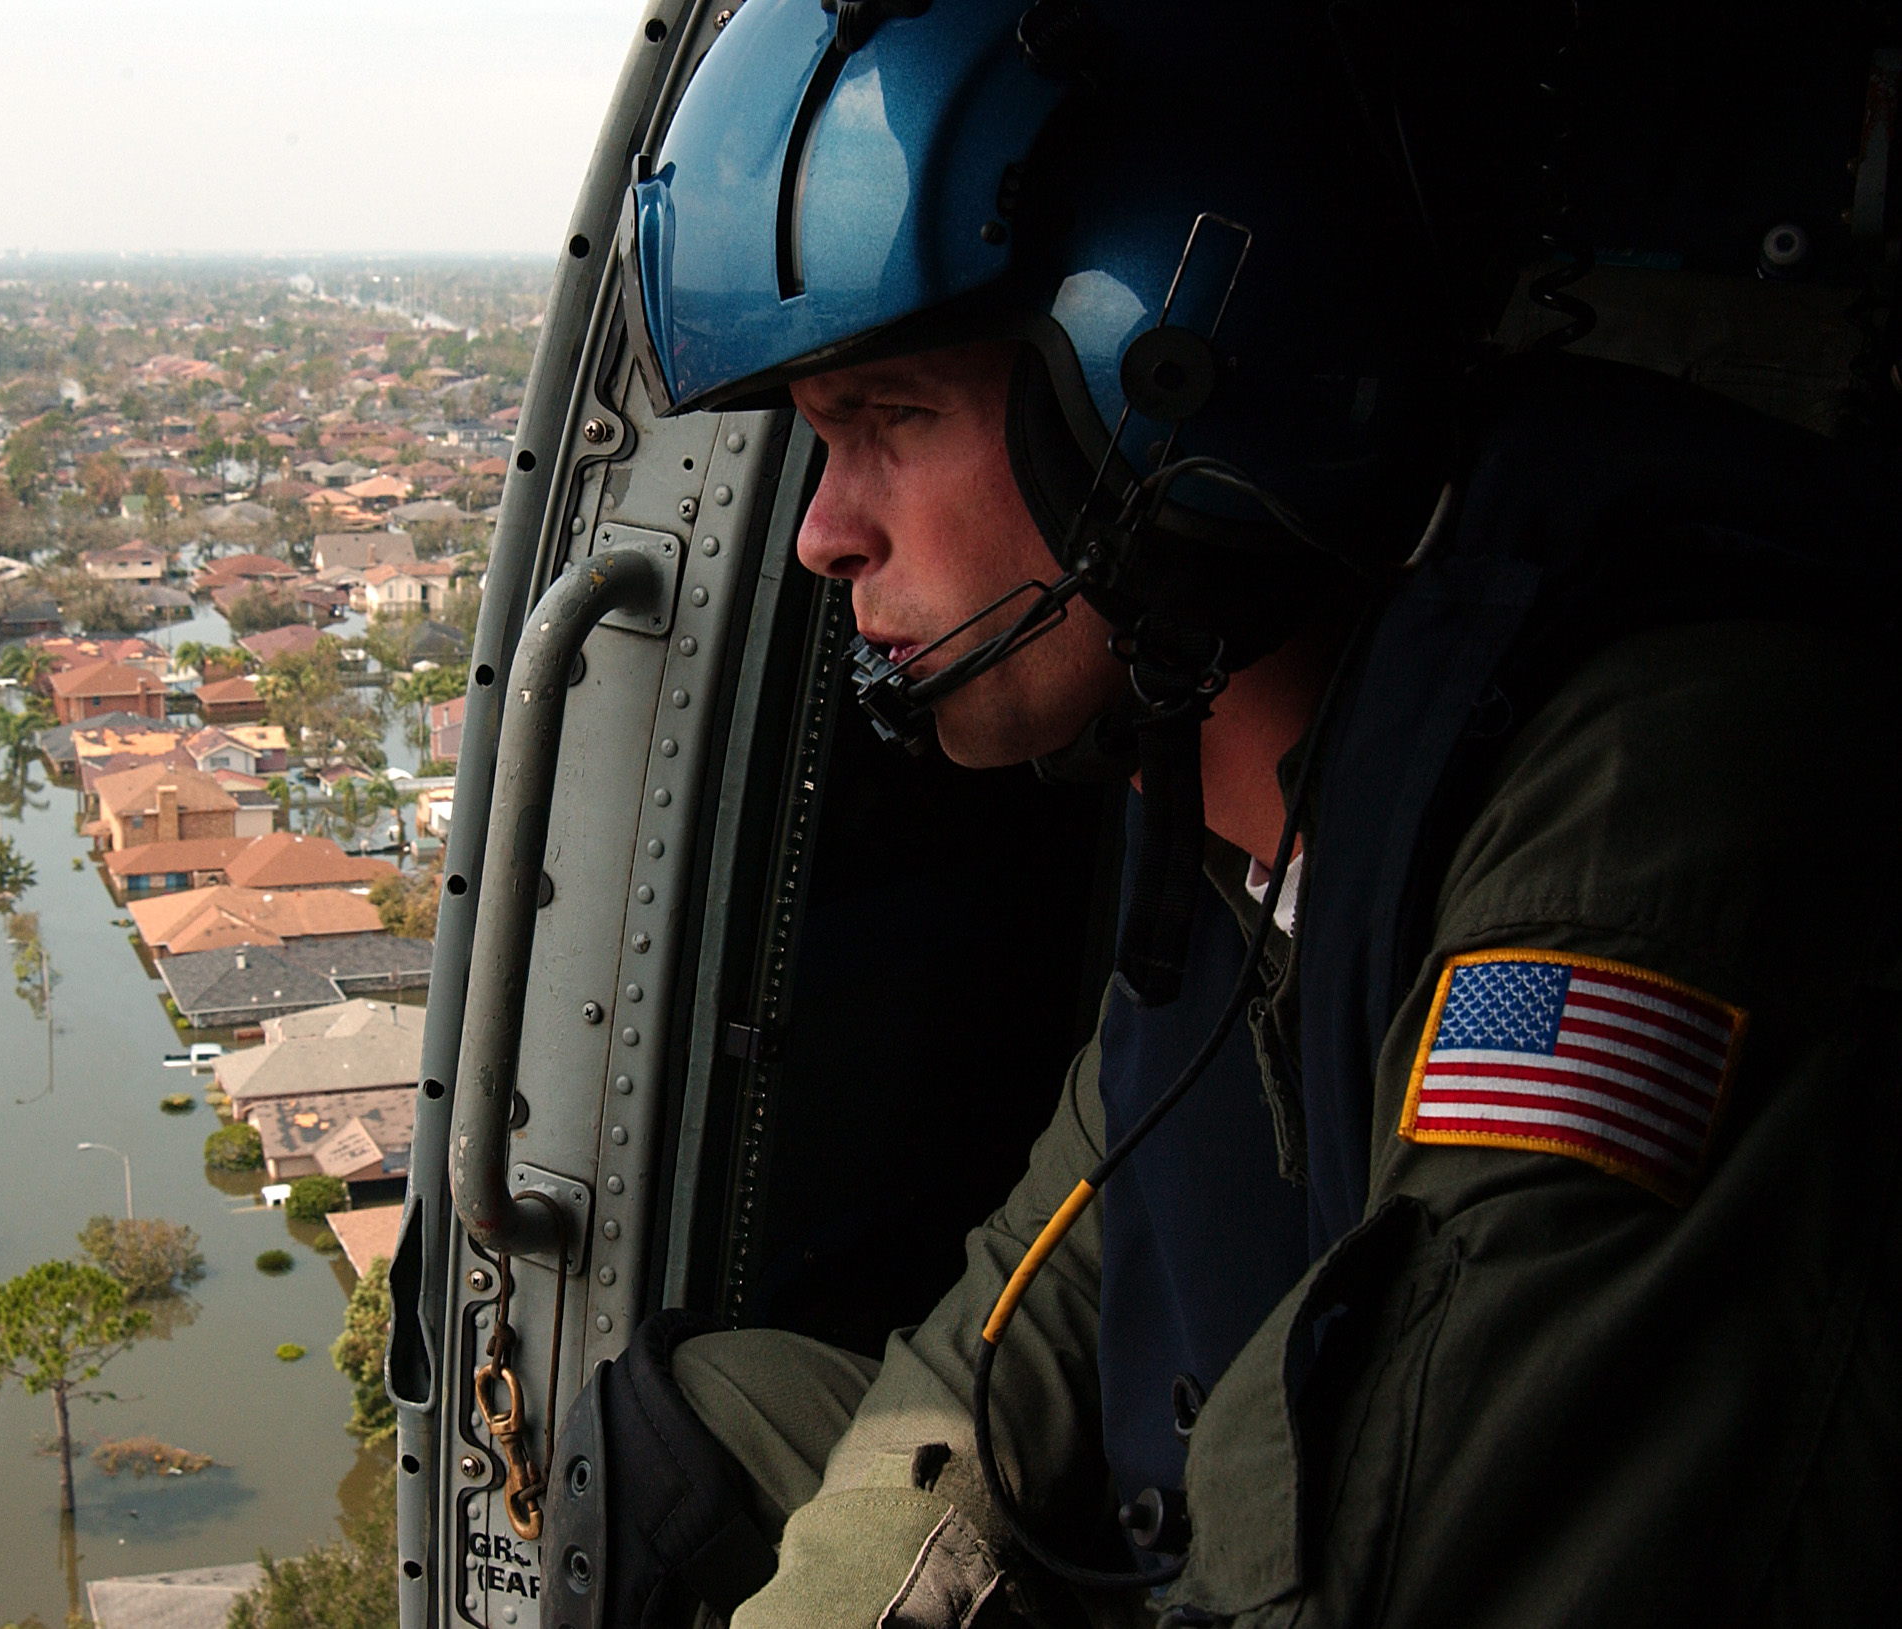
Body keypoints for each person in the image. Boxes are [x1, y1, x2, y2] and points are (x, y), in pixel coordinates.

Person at [550, 1, 1902, 1625]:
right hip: (1226, 1529)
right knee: (683, 1441)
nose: (822, 538)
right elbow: (1048, 1283)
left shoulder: (1642, 805)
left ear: (1162, 382)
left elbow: (1389, 1551)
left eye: (892, 419)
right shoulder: (1217, 777)